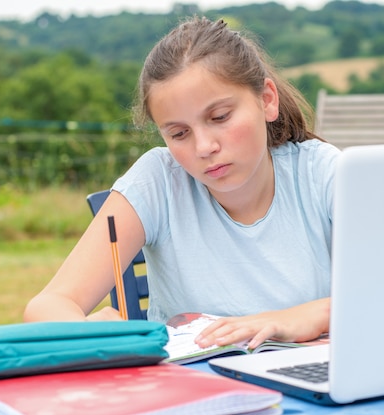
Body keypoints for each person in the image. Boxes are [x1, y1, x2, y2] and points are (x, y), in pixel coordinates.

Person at [24, 16, 340, 350]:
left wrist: (309, 315)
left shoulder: (322, 173)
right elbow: (46, 306)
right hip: (196, 391)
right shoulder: (158, 182)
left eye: (219, 117)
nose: (204, 147)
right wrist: (86, 332)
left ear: (266, 99)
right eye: (179, 133)